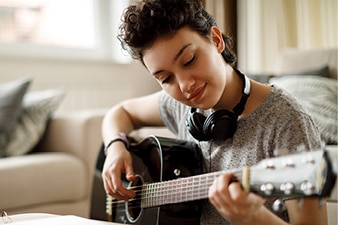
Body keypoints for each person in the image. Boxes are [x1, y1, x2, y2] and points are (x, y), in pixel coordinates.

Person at [101, 0, 328, 224]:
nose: (184, 86)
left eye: (189, 60)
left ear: (216, 40)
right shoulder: (180, 105)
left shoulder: (287, 121)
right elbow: (120, 112)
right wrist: (115, 147)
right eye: (165, 78)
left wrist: (253, 218)